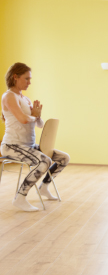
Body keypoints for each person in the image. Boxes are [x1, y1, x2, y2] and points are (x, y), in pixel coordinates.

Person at [1, 62, 70, 212]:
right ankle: (20, 197)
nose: (29, 82)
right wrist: (33, 116)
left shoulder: (25, 99)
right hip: (12, 146)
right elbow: (24, 119)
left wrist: (37, 117)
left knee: (63, 158)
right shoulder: (8, 96)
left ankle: (44, 187)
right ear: (15, 77)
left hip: (28, 146)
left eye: (30, 79)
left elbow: (39, 123)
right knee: (45, 160)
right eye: (26, 79)